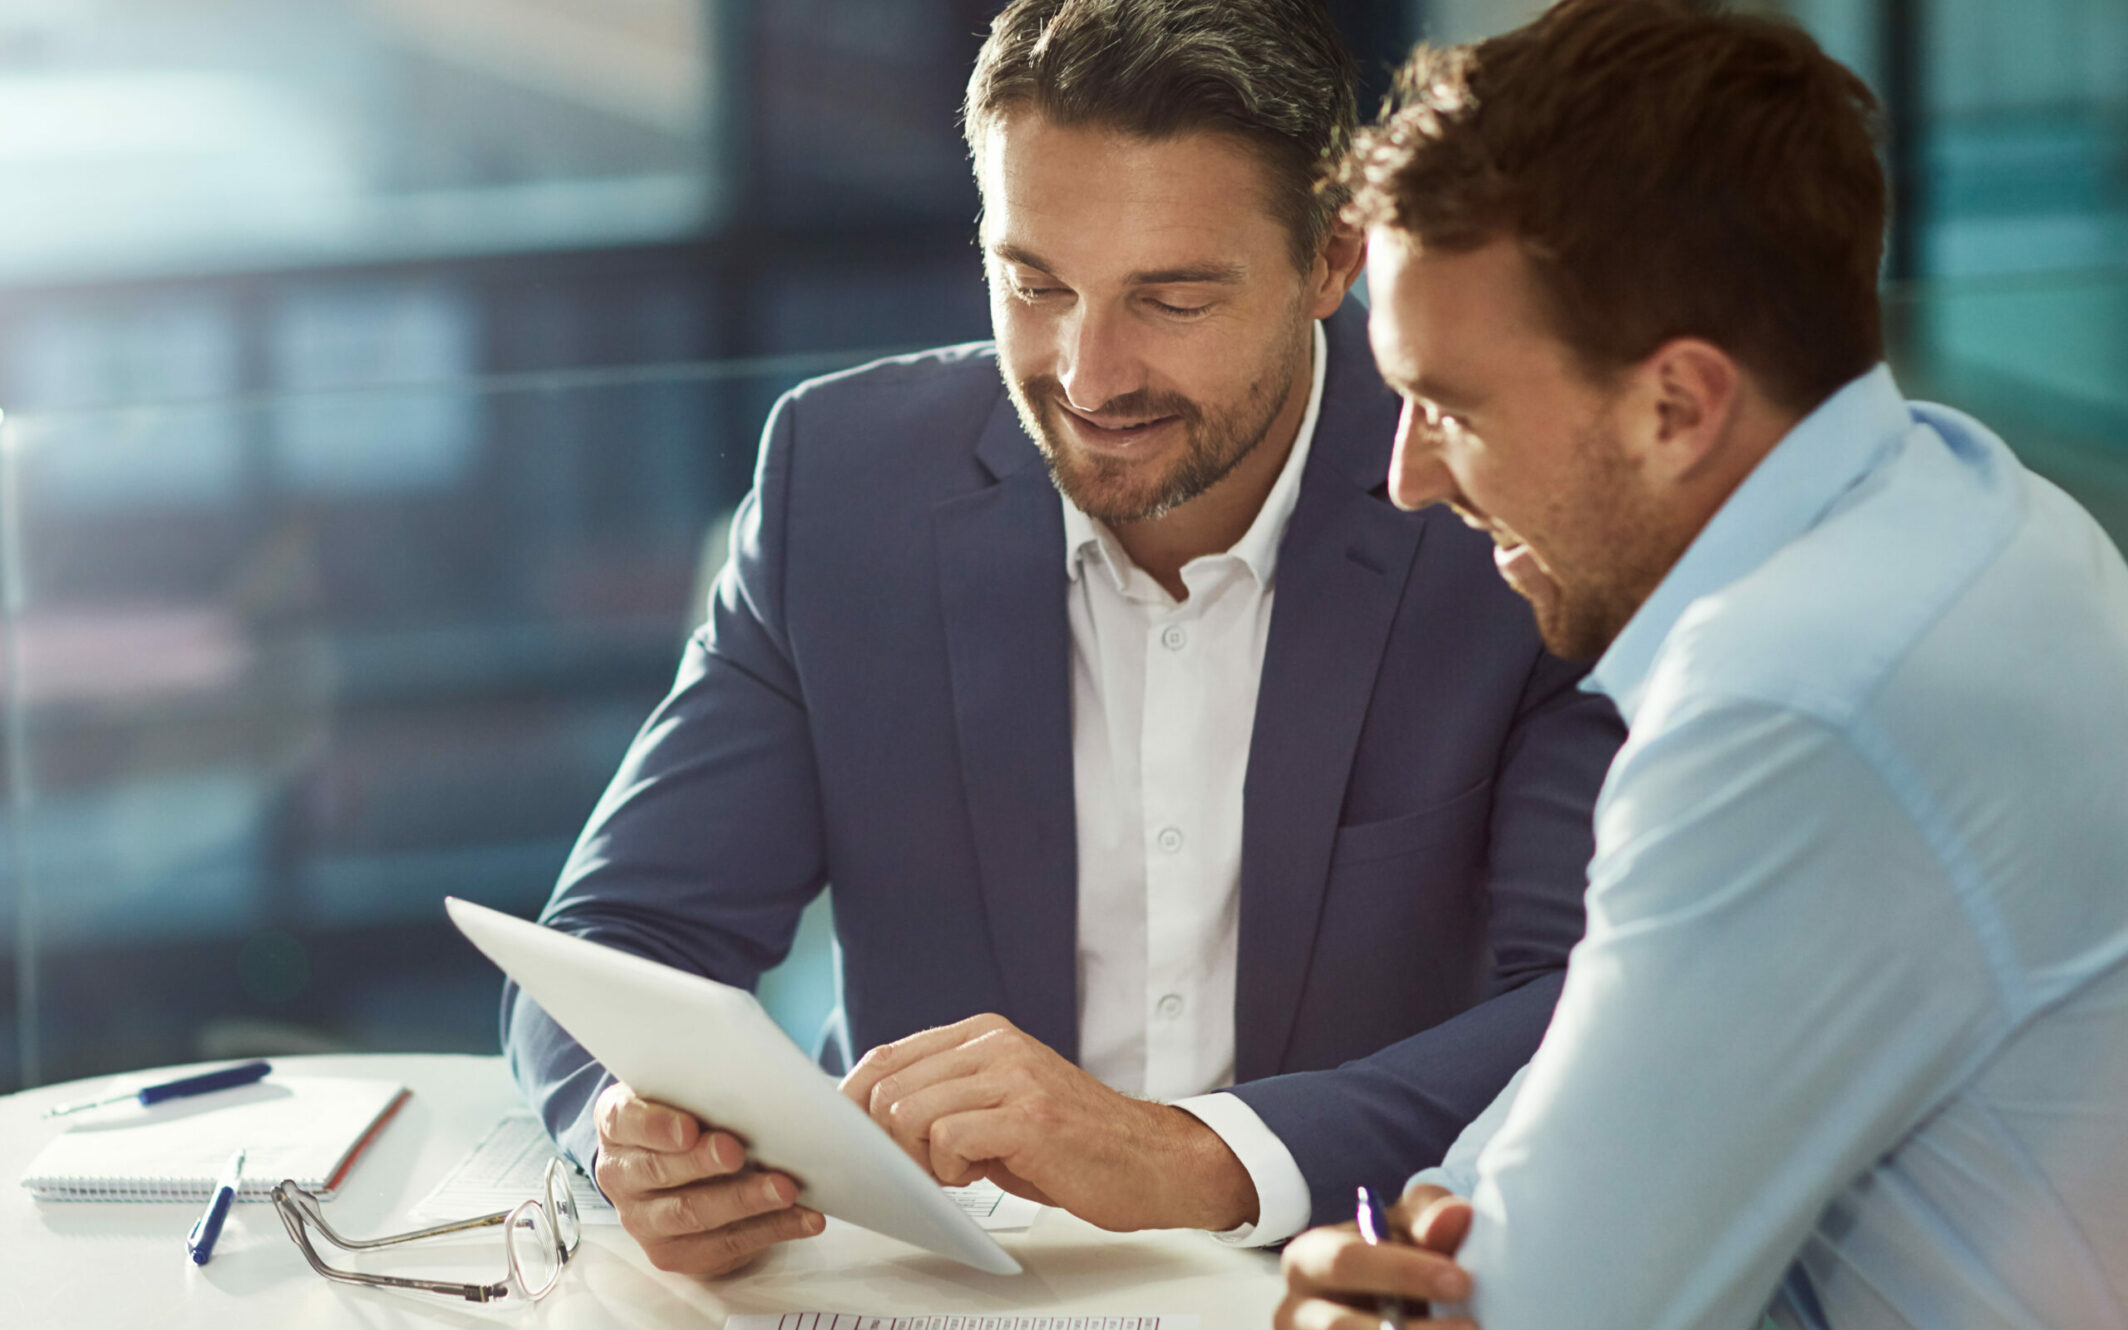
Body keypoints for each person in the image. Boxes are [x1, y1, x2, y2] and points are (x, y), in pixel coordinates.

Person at [505, 0, 1621, 1278]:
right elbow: (613, 940)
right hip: (926, 1284)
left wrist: (1197, 1155)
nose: (1089, 377)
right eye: (1033, 286)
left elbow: (1591, 1005)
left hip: (1338, 1274)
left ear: (1331, 260)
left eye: (1172, 298)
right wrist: (636, 1132)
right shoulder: (842, 482)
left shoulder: (1497, 514)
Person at [1276, 2, 2128, 1328]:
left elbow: (1537, 1316)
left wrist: (1420, 1289)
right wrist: (1454, 1233)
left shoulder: (1796, 707)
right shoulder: (1967, 499)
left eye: (1450, 408)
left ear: (1677, 406)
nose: (1409, 477)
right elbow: (1532, 1159)